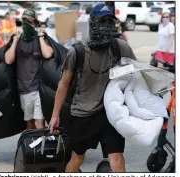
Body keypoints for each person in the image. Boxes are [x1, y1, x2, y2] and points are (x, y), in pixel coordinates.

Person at [49, 3, 136, 172]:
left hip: (110, 113)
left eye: (109, 21)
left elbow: (137, 72)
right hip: (83, 114)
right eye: (101, 21)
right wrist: (54, 116)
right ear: (92, 22)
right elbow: (63, 84)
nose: (105, 25)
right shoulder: (77, 52)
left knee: (116, 156)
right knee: (77, 158)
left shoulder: (119, 47)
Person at [4, 9, 53, 129]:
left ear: (35, 23)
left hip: (38, 87)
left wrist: (41, 37)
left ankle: (40, 146)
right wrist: (15, 41)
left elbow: (47, 54)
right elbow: (8, 60)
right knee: (29, 122)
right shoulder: (17, 39)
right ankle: (31, 146)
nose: (26, 23)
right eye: (24, 20)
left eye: (29, 21)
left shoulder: (40, 38)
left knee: (39, 122)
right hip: (23, 88)